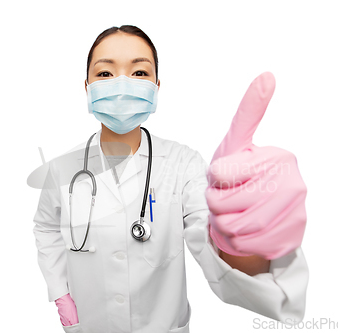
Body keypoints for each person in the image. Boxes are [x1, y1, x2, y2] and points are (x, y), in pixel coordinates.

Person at [32, 25, 309, 333]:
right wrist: (60, 292)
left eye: (139, 73)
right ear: (87, 87)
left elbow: (214, 241)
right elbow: (45, 227)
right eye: (106, 74)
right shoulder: (61, 170)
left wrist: (245, 233)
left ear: (156, 87)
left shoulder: (183, 164)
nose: (122, 85)